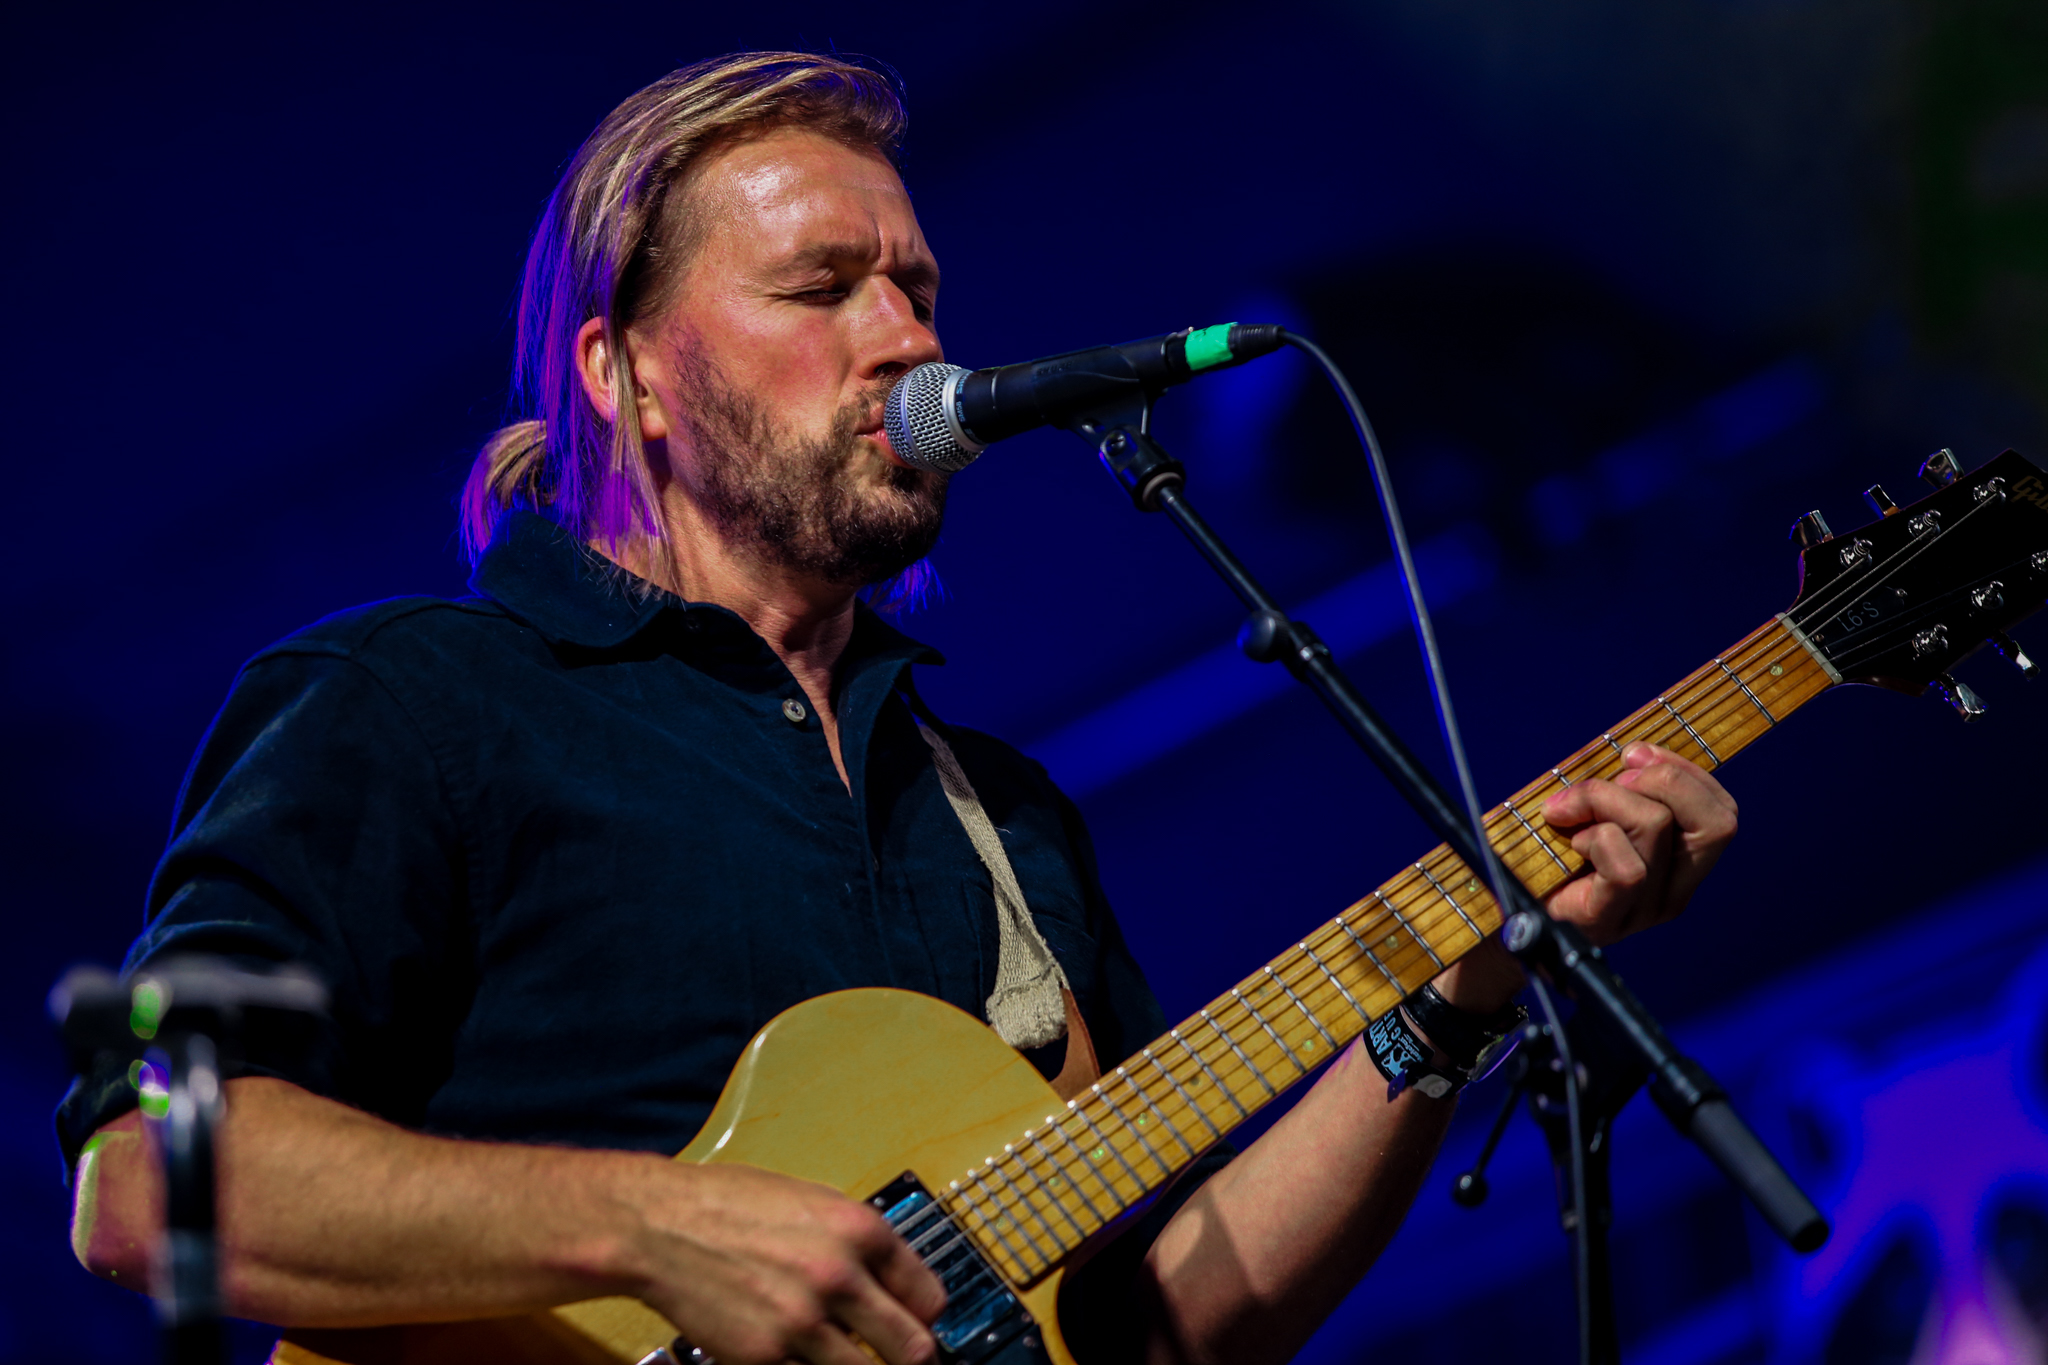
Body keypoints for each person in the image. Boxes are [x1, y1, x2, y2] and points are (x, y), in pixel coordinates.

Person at [61, 52, 1739, 1365]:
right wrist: (650, 1227)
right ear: (626, 373)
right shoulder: (399, 701)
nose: (905, 337)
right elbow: (147, 1180)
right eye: (822, 288)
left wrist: (1453, 999)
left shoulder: (1001, 820)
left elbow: (1152, 1333)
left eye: (917, 287)